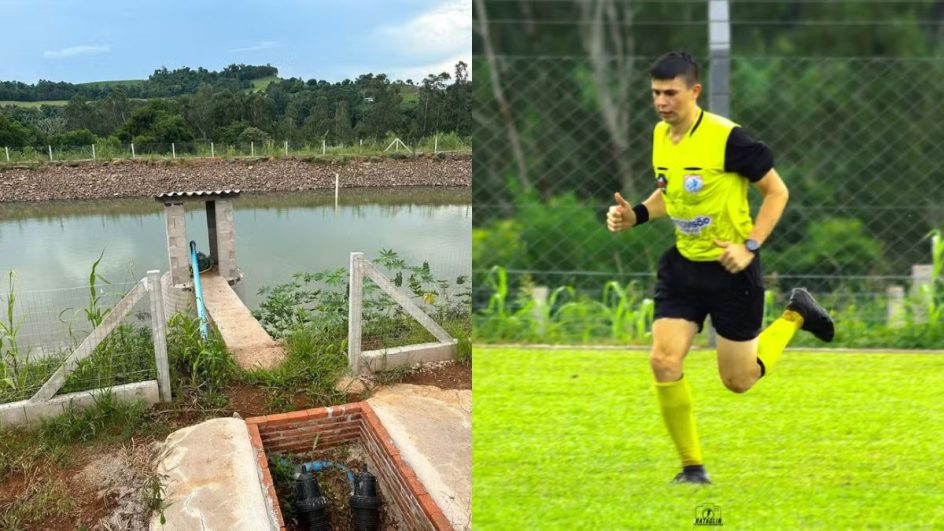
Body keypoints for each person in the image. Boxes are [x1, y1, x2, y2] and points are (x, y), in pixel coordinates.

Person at [606, 51, 835, 485]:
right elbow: (669, 194)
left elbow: (777, 193)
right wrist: (635, 214)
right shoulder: (660, 135)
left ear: (694, 91)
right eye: (655, 93)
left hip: (733, 272)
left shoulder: (729, 139)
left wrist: (749, 246)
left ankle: (795, 315)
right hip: (683, 269)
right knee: (663, 360)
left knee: (740, 380)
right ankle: (692, 468)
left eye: (670, 93)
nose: (661, 102)